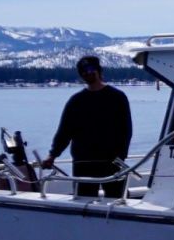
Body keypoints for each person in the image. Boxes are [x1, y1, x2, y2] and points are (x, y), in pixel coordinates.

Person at [42, 55, 133, 198]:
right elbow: (64, 132)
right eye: (83, 71)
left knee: (119, 201)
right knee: (83, 202)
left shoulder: (117, 97)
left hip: (112, 162)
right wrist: (52, 155)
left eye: (91, 69)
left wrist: (121, 156)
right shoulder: (76, 101)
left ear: (99, 70)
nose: (87, 73)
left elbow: (126, 130)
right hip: (83, 162)